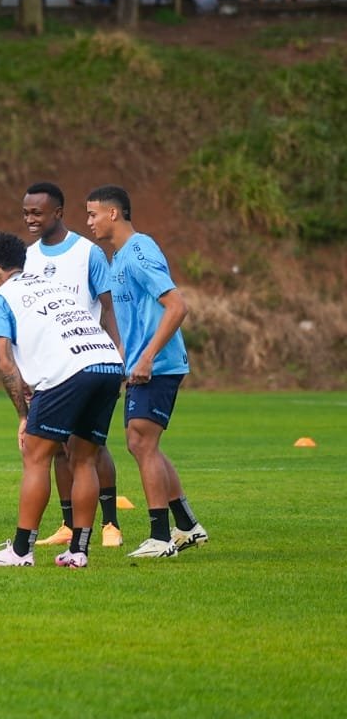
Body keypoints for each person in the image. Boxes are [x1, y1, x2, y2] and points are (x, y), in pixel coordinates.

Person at [0, 231, 124, 569]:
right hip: (108, 363)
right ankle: (79, 551)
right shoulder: (49, 287)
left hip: (71, 371)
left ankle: (21, 551)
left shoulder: (0, 299)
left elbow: (4, 362)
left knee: (36, 455)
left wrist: (24, 417)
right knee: (83, 459)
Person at [85, 185, 208, 559]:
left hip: (158, 366)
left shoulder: (138, 253)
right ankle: (186, 526)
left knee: (141, 442)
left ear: (113, 214)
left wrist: (148, 358)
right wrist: (123, 359)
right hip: (142, 365)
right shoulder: (118, 258)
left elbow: (176, 306)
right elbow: (134, 320)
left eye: (92, 214)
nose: (88, 222)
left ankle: (160, 537)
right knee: (141, 443)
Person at [20, 181, 126, 549]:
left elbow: (108, 305)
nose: (30, 219)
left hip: (89, 358)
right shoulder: (28, 257)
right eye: (26, 213)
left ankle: (110, 523)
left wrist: (118, 351)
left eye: (37, 213)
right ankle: (68, 525)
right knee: (56, 444)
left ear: (58, 213)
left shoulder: (88, 253)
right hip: (52, 363)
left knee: (91, 446)